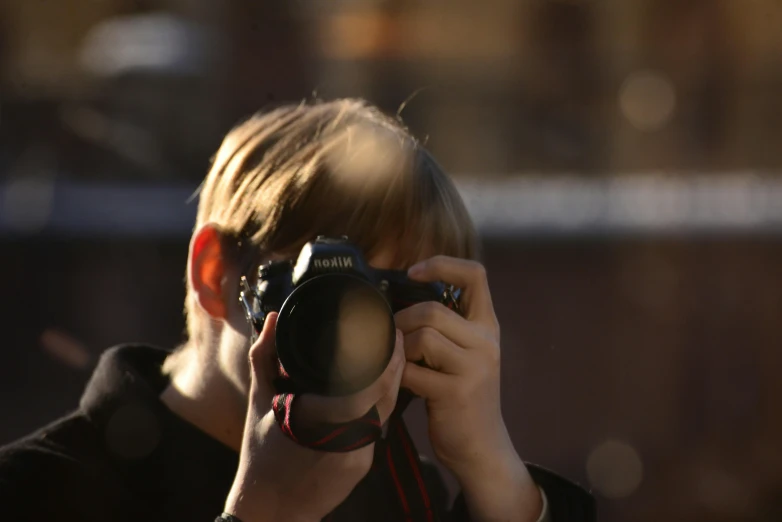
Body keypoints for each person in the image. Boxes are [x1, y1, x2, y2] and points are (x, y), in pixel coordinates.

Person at [0, 99, 595, 521]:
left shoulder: (406, 495)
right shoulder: (36, 493)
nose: (359, 335)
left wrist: (493, 472)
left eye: (391, 298)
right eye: (330, 294)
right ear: (215, 276)